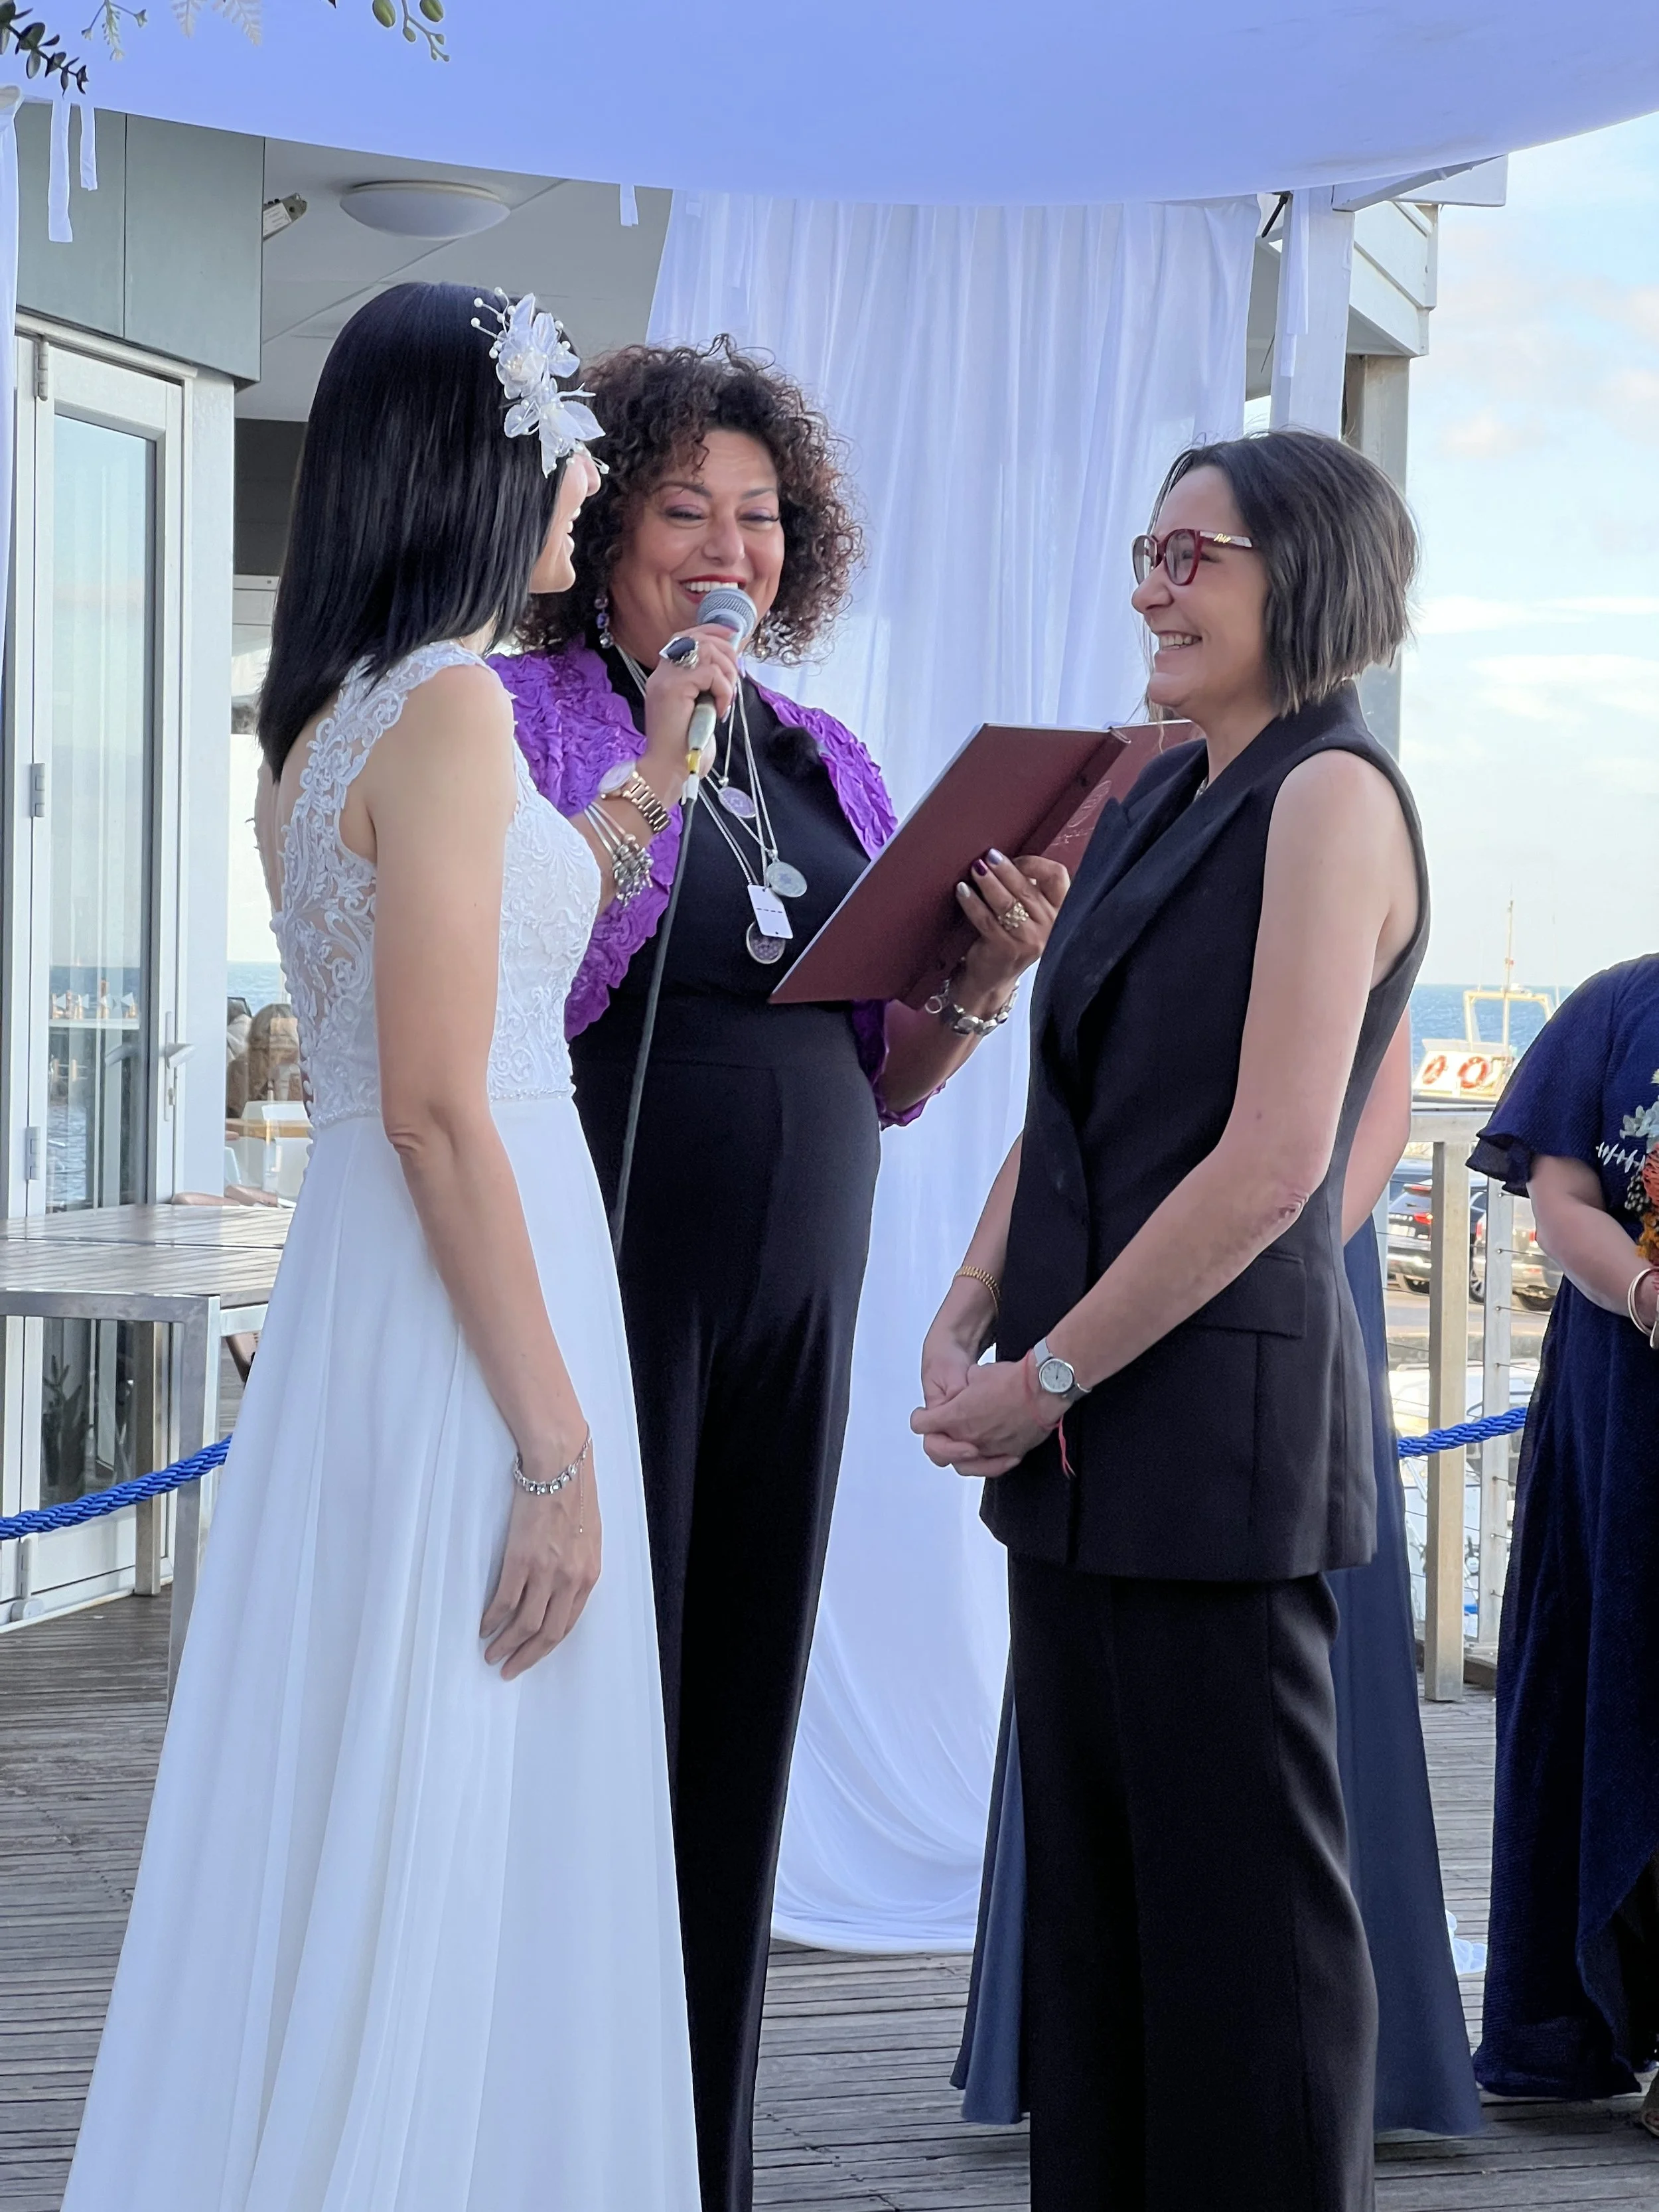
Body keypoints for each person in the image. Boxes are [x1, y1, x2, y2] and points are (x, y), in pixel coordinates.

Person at [62, 281, 701, 2211]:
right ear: (476, 460)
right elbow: (439, 1097)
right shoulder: (437, 708)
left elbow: (498, 944)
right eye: (569, 455)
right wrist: (558, 1446)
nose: (587, 491)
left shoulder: (335, 722)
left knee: (382, 1762)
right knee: (468, 1741)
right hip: (463, 1308)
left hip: (382, 1286)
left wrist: (656, 772)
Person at [490, 336, 1066, 2212]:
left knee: (734, 1716)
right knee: (587, 1725)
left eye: (760, 515)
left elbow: (882, 1073)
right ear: (602, 531)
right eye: (683, 511)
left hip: (795, 1291)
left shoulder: (820, 751)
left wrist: (981, 977)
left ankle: (699, 2157)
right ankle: (551, 2144)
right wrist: (656, 752)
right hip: (611, 1267)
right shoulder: (528, 718)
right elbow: (540, 994)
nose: (727, 547)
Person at [914, 427, 1428, 2211]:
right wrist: (974, 1302)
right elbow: (1077, 1095)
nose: (1150, 583)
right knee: (1105, 1930)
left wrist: (1041, 1369)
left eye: (1190, 554)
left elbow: (1273, 1157)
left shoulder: (1331, 796)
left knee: (1247, 1948)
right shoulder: (1149, 788)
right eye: (1148, 549)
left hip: (1207, 1436)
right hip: (1074, 1431)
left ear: (1309, 573)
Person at [951, 1019, 1484, 2143]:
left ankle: (1324, 2067)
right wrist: (982, 1293)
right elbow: (1063, 1105)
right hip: (1108, 1271)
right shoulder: (1114, 849)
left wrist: (1244, 1280)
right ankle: (1095, 2057)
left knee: (1292, 1693)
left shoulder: (1327, 838)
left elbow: (1375, 1111)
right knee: (1094, 1682)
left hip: (1274, 1291)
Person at [1469, 954, 1659, 2121]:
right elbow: (1562, 1199)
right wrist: (1648, 1294)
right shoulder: (1613, 1007)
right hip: (1626, 1423)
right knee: (1622, 1707)